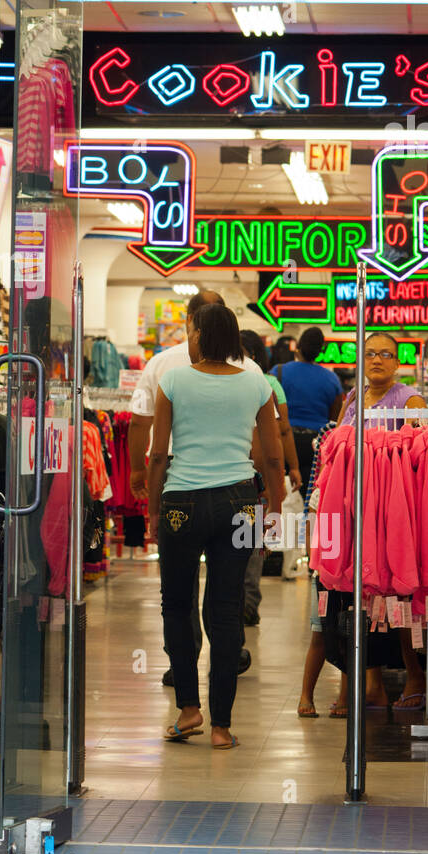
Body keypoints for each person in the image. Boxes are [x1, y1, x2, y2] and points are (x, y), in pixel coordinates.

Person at [148, 303, 284, 750]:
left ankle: (189, 708)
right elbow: (271, 454)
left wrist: (154, 511)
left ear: (201, 335)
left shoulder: (172, 380)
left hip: (181, 503)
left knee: (177, 603)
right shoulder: (257, 383)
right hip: (240, 502)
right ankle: (222, 727)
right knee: (225, 609)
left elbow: (158, 455)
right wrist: (275, 506)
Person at [129, 290, 261, 682]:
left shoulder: (161, 366)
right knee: (228, 584)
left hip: (176, 481)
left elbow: (140, 421)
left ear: (190, 323)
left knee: (178, 587)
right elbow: (264, 440)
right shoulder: (250, 370)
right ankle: (229, 652)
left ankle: (182, 667)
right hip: (237, 486)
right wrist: (266, 491)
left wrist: (141, 477)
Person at [298, 331, 426, 717]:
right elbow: (335, 448)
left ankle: (414, 674)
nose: (377, 361)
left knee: (398, 596)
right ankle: (369, 684)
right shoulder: (353, 398)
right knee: (358, 594)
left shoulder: (410, 400)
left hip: (392, 511)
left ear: (397, 361)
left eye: (386, 354)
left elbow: (422, 456)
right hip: (350, 509)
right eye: (370, 354)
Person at [239, 329, 303, 621]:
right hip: (257, 471)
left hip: (230, 470)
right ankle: (248, 602)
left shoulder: (215, 378)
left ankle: (233, 603)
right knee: (250, 536)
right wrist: (292, 467)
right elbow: (283, 429)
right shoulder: (270, 383)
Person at [274, 326, 344, 492]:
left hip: (284, 442)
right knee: (311, 499)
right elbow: (335, 420)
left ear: (298, 346)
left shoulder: (279, 372)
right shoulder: (331, 379)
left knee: (282, 499)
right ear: (320, 351)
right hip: (316, 444)